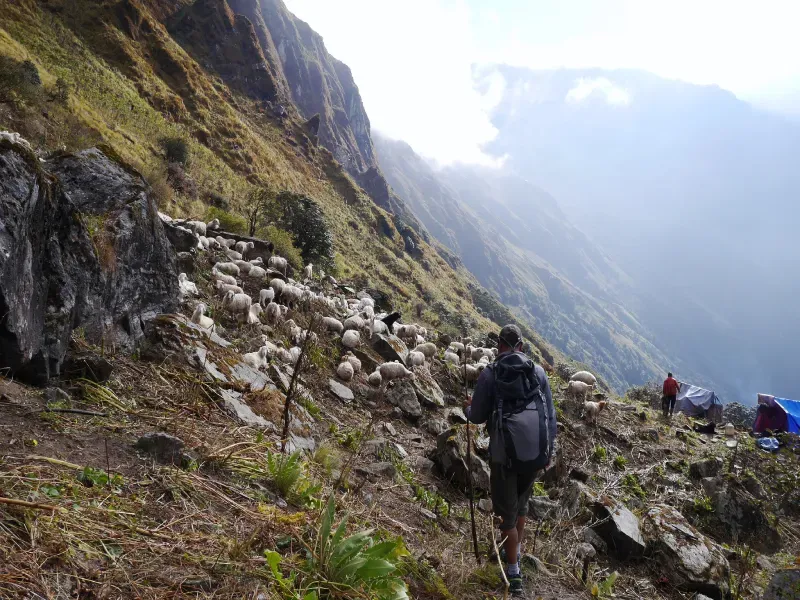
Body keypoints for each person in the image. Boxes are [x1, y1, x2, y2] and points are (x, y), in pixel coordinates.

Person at [465, 324, 557, 596]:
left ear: (500, 345)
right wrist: (547, 454)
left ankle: (513, 572)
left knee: (506, 514)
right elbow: (550, 417)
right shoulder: (538, 373)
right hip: (534, 455)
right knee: (521, 506)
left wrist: (467, 408)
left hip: (503, 455)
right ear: (521, 346)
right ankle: (513, 552)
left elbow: (478, 415)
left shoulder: (491, 374)